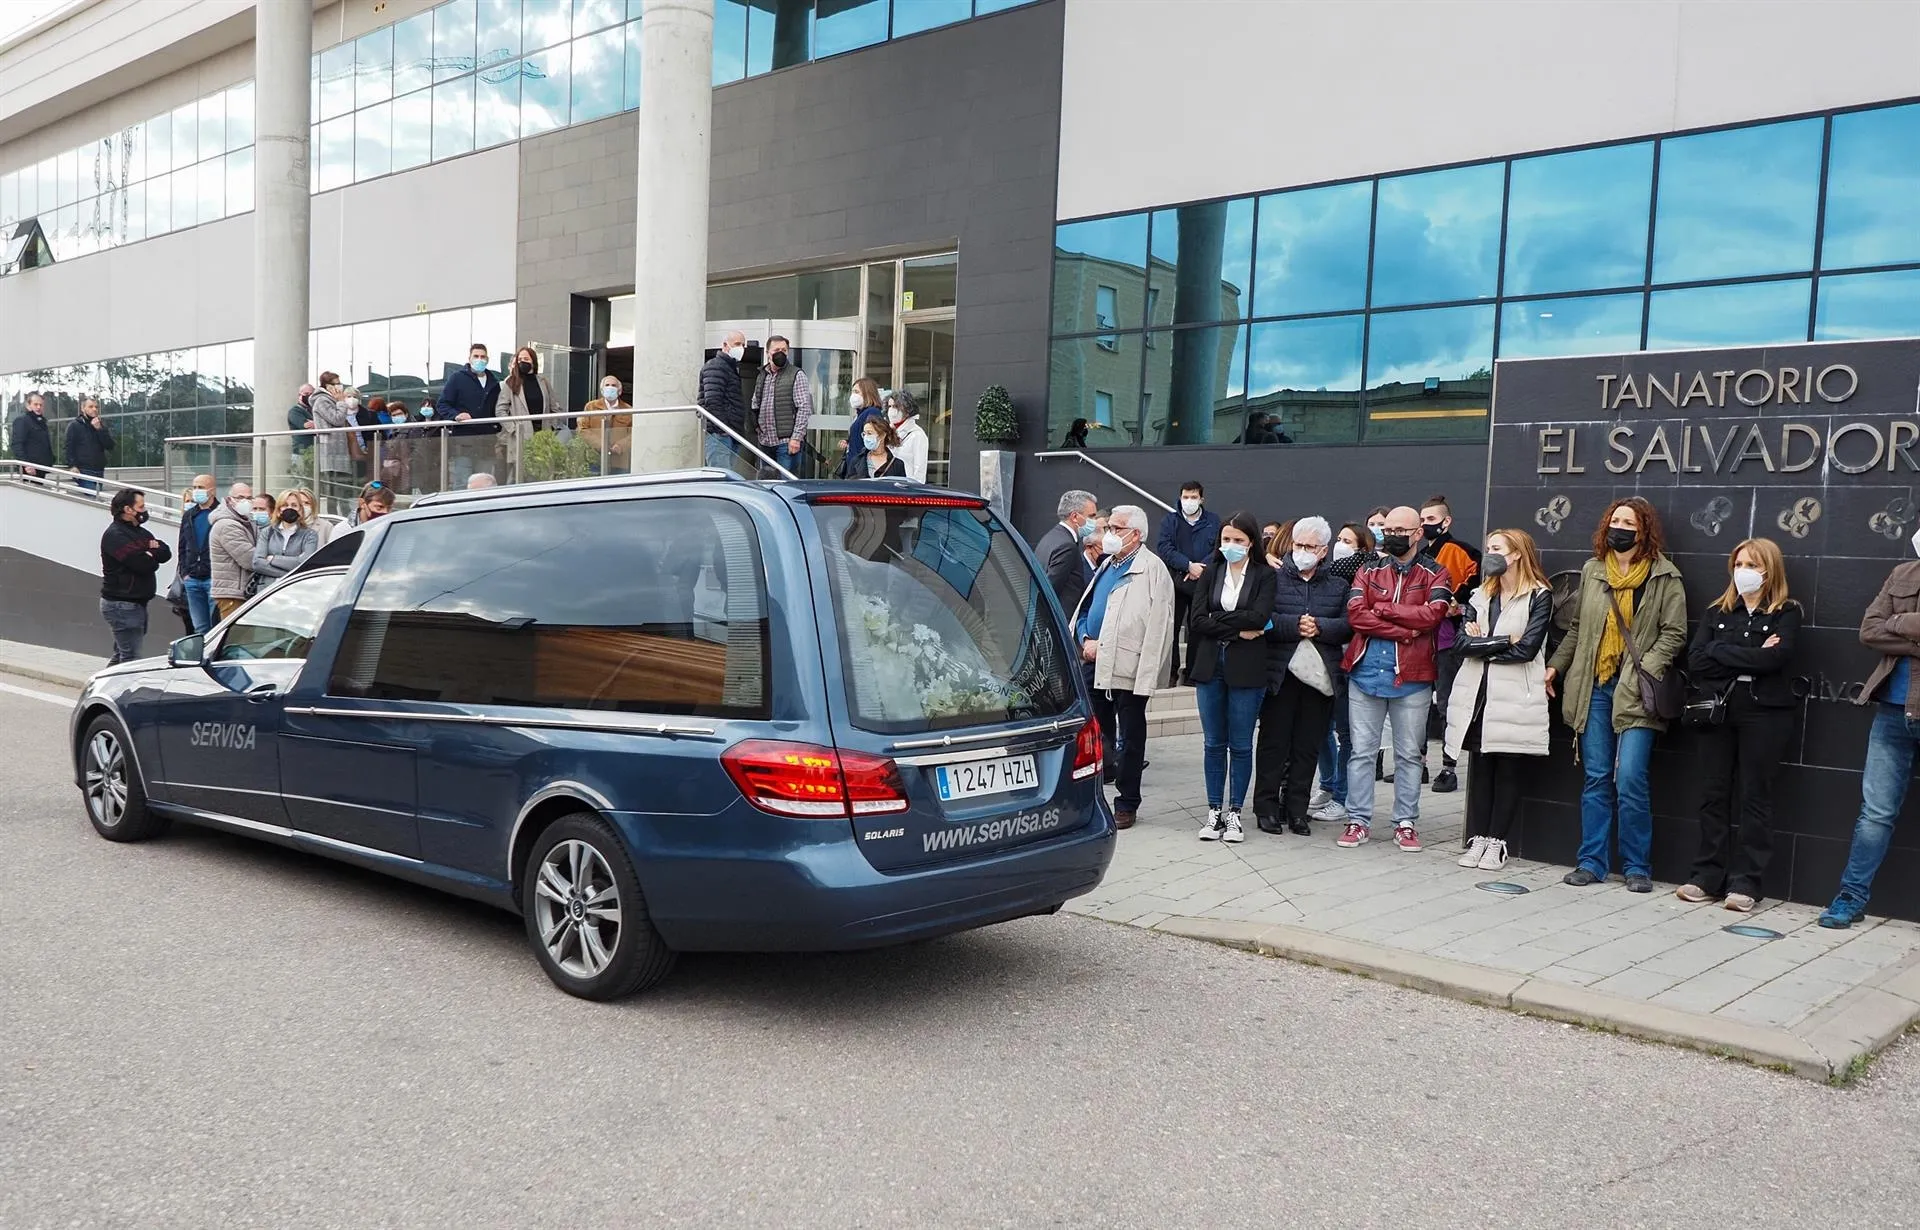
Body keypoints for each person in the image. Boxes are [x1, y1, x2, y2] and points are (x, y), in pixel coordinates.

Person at [1545, 496, 1688, 892]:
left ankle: (1637, 867)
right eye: (1614, 521)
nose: (1619, 528)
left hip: (1637, 690)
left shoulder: (1664, 576)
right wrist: (1556, 665)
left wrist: (1646, 668)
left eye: (1628, 523)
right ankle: (1591, 862)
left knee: (1629, 778)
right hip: (1594, 685)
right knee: (1595, 777)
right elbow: (1576, 628)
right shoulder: (1593, 571)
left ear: (1643, 531)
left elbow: (1674, 633)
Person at [1674, 539, 1801, 911]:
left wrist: (1724, 652)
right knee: (1713, 793)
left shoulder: (1786, 612)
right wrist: (1751, 654)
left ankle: (1746, 882)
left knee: (1754, 795)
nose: (1743, 570)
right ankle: (1706, 876)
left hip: (1764, 713)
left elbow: (1776, 659)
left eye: (1752, 563)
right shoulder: (1717, 612)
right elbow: (1697, 660)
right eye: (1739, 562)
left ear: (1769, 569)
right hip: (1718, 710)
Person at [1339, 505, 1452, 851]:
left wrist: (1384, 609)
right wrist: (1403, 630)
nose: (1392, 536)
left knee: (1407, 755)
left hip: (1413, 678)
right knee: (1361, 752)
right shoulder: (1368, 569)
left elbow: (1432, 616)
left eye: (1401, 530)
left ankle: (1405, 822)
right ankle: (1357, 820)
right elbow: (1357, 616)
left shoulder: (1437, 572)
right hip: (1365, 673)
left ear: (1418, 532)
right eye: (1387, 529)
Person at [1823, 531, 1920, 928]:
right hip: (1893, 714)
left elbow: (1886, 630)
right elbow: (1869, 630)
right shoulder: (1903, 574)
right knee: (1875, 815)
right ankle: (1850, 898)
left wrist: (1900, 627)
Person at [1447, 529, 1553, 872]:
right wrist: (1504, 638)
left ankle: (1497, 841)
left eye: (1497, 548)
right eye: (1489, 547)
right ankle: (1477, 837)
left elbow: (1528, 650)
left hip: (1514, 696)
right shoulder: (1480, 594)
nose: (1490, 553)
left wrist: (1485, 646)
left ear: (1517, 554)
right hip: (1477, 696)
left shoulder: (1539, 596)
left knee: (1507, 767)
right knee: (1480, 768)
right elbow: (1460, 645)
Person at [1071, 505, 1175, 831]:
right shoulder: (1107, 565)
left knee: (1130, 736)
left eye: (1117, 528)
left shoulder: (1153, 570)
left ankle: (1127, 802)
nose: (1109, 534)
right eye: (1109, 528)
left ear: (1136, 534)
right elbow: (1087, 608)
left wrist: (1147, 673)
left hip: (1127, 664)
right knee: (1097, 731)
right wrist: (1085, 637)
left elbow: (1159, 626)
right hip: (1093, 660)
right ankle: (1097, 792)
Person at [1254, 516, 1350, 837]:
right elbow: (1264, 618)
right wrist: (1294, 624)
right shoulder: (1274, 579)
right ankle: (1266, 808)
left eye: (1311, 546)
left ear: (1324, 550)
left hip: (1319, 678)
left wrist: (1320, 626)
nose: (1303, 551)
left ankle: (1297, 810)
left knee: (1307, 746)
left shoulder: (1337, 586)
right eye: (1298, 545)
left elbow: (1349, 624)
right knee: (1273, 744)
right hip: (1280, 674)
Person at [1187, 512, 1278, 842]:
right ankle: (1214, 812)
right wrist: (1240, 630)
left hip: (1247, 668)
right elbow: (1197, 619)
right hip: (1210, 664)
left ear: (1251, 542)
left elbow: (1260, 615)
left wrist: (1222, 620)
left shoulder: (1264, 575)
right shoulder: (1211, 573)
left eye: (1238, 540)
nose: (1231, 545)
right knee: (1213, 742)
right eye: (1226, 539)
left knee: (1240, 744)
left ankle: (1235, 812)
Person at [1307, 521, 1376, 824]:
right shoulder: (1328, 574)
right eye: (1339, 538)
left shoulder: (1367, 575)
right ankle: (1328, 782)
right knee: (1321, 728)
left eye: (1348, 540)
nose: (1341, 544)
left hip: (1353, 660)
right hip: (1326, 659)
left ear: (1362, 548)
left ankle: (1343, 796)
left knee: (1346, 732)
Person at [1420, 495, 1481, 793]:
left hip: (1446, 639)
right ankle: (1419, 764)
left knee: (1446, 704)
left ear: (1446, 521)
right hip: (1421, 638)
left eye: (1431, 519)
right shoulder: (1421, 553)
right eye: (1423, 520)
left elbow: (1479, 582)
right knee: (1419, 702)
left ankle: (1449, 767)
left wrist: (1460, 601)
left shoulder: (1462, 551)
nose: (1425, 524)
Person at [1156, 481, 1221, 686]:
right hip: (1176, 581)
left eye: (1193, 497)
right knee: (1172, 627)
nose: (1189, 501)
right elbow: (1164, 547)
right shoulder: (1170, 520)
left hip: (1202, 582)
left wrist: (1200, 569)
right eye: (1186, 497)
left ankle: (1192, 672)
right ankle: (1172, 671)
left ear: (1201, 499)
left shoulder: (1213, 520)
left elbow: (1219, 547)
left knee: (1197, 627)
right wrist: (1187, 565)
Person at [99, 489, 172, 665]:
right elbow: (144, 565)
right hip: (122, 603)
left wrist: (150, 552)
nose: (144, 510)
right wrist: (150, 553)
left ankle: (102, 685)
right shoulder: (115, 535)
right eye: (141, 506)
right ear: (128, 509)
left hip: (136, 603)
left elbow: (165, 553)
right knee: (131, 658)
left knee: (122, 654)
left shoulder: (140, 532)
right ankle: (121, 690)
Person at [438, 342, 502, 486]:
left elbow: (497, 411)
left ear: (488, 359)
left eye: (483, 357)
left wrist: (497, 431)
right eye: (476, 356)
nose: (480, 359)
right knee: (461, 483)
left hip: (487, 443)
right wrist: (456, 415)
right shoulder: (457, 378)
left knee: (485, 485)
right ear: (469, 358)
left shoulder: (494, 383)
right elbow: (442, 404)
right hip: (464, 442)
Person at [1034, 490, 1101, 622]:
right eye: (1091, 516)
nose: (1095, 522)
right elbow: (1050, 590)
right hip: (1059, 623)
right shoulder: (1067, 546)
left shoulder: (1050, 537)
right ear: (1075, 517)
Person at [753, 335, 812, 474]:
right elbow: (755, 402)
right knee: (766, 484)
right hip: (765, 441)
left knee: (784, 484)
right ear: (768, 353)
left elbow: (804, 408)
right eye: (776, 350)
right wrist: (756, 425)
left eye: (784, 350)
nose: (780, 353)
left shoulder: (796, 374)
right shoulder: (762, 375)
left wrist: (796, 438)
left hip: (786, 443)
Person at [500, 345, 560, 480]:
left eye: (526, 358)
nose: (522, 362)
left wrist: (552, 427)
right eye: (520, 359)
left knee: (543, 474)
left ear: (533, 361)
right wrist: (513, 428)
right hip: (522, 436)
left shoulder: (543, 381)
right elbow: (500, 410)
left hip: (543, 436)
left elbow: (555, 407)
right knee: (521, 475)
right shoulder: (511, 383)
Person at [698, 330, 749, 472]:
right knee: (720, 478)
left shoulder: (730, 368)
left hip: (730, 433)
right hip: (720, 434)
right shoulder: (716, 366)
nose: (741, 348)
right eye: (737, 344)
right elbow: (712, 401)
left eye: (743, 345)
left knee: (725, 476)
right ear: (725, 345)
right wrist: (723, 429)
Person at [208, 482, 259, 621]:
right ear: (229, 499)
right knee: (238, 639)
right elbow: (250, 559)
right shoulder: (227, 525)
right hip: (232, 593)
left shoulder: (247, 521)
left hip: (241, 591)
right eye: (240, 497)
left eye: (249, 498)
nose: (246, 502)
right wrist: (271, 559)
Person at [175, 473, 218, 634]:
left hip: (212, 577)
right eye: (194, 487)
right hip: (192, 578)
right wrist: (184, 573)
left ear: (212, 491)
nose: (196, 491)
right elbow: (182, 545)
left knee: (216, 626)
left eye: (201, 487)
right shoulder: (189, 515)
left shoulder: (220, 514)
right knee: (199, 628)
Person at [252, 490, 321, 583]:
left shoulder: (310, 535)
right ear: (279, 509)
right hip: (267, 589)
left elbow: (304, 563)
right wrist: (289, 575)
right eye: (285, 505)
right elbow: (257, 563)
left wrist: (273, 559)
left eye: (294, 505)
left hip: (294, 589)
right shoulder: (267, 532)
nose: (289, 508)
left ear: (300, 510)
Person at [308, 373, 355, 507]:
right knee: (333, 490)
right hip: (330, 451)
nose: (339, 386)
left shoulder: (329, 399)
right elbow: (336, 419)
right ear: (328, 386)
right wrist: (341, 402)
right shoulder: (322, 400)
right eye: (336, 383)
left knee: (341, 487)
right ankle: (336, 518)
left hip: (337, 450)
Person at [580, 376, 633, 475]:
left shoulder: (628, 409)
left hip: (619, 462)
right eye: (607, 385)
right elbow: (583, 429)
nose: (610, 387)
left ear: (619, 391)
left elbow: (633, 433)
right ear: (602, 390)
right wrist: (601, 444)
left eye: (614, 385)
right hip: (595, 459)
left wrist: (620, 446)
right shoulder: (591, 407)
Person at [838, 378, 889, 478]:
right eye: (852, 392)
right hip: (855, 465)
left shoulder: (872, 412)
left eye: (856, 392)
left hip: (861, 468)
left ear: (867, 393)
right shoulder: (860, 414)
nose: (853, 396)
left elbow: (873, 438)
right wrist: (848, 441)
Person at [65, 397, 113, 493]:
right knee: (92, 496)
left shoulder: (100, 425)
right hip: (84, 470)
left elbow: (110, 445)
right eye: (91, 406)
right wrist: (73, 465)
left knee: (97, 496)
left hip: (99, 470)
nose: (94, 409)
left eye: (96, 407)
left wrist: (99, 429)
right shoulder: (75, 426)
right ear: (83, 409)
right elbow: (69, 447)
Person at [887, 389, 930, 484]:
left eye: (896, 406)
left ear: (907, 409)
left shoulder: (917, 435)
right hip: (888, 487)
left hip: (906, 489)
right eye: (890, 406)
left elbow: (920, 471)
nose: (892, 410)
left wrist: (915, 492)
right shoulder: (888, 431)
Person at [10, 391, 53, 481]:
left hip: (41, 469)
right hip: (29, 470)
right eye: (35, 404)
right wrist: (26, 465)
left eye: (41, 405)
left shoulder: (42, 423)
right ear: (28, 406)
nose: (38, 407)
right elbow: (17, 444)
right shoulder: (22, 421)